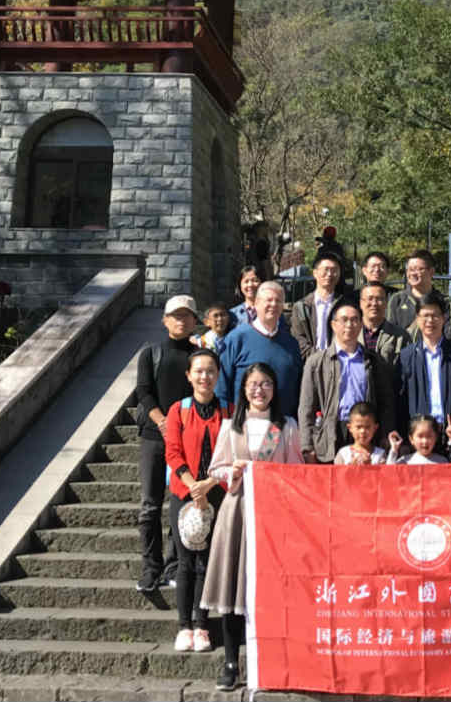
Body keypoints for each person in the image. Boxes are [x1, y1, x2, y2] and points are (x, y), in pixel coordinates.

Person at [202, 362, 303, 691]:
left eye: (266, 384)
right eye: (253, 385)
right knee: (233, 586)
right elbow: (215, 468)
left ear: (274, 388)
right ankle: (231, 662)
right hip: (238, 512)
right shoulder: (232, 426)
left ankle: (272, 662)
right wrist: (233, 470)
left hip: (273, 516)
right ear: (244, 389)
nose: (259, 390)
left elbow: (296, 471)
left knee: (270, 591)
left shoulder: (285, 426)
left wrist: (271, 476)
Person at [162, 349, 232, 654]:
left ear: (218, 375)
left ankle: (202, 624)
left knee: (206, 561)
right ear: (189, 376)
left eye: (211, 371)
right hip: (184, 493)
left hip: (216, 491)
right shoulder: (178, 410)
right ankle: (184, 626)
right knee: (185, 561)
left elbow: (231, 453)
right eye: (199, 371)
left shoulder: (228, 410)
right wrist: (193, 485)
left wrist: (208, 484)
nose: (205, 377)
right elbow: (172, 451)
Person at [133, 295, 201, 593]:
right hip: (154, 437)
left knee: (180, 502)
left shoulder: (200, 357)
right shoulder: (151, 353)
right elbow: (143, 392)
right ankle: (151, 567)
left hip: (187, 439)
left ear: (195, 321)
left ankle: (175, 565)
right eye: (175, 315)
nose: (180, 321)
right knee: (150, 505)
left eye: (186, 316)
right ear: (165, 320)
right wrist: (163, 422)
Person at [299, 298, 397, 463]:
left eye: (354, 320)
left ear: (361, 324)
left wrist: (386, 435)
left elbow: (386, 403)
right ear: (333, 325)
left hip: (365, 433)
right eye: (344, 320)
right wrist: (307, 446)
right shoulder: (317, 362)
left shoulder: (373, 361)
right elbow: (306, 407)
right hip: (331, 434)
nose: (349, 325)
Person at [216, 281, 302, 417]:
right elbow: (222, 388)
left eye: (278, 301)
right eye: (269, 300)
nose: (273, 304)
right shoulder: (236, 338)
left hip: (283, 424)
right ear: (256, 304)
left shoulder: (291, 344)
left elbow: (298, 388)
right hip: (244, 423)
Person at [396, 295, 451, 434]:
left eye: (435, 316)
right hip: (419, 436)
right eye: (425, 316)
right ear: (417, 319)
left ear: (444, 318)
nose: (430, 321)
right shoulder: (406, 356)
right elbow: (401, 401)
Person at [386, 249, 451, 340]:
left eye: (419, 269)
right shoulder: (396, 300)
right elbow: (389, 334)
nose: (413, 273)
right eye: (410, 269)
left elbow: (450, 335)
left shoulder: (446, 302)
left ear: (431, 272)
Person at [290, 251, 343, 361]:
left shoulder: (345, 305)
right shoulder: (301, 307)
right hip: (310, 364)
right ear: (315, 273)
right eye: (326, 269)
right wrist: (323, 359)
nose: (329, 274)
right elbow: (298, 341)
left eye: (334, 270)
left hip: (339, 364)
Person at [334, 401, 403, 464]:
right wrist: (351, 467)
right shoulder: (343, 453)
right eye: (358, 427)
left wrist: (370, 467)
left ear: (375, 428)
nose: (363, 431)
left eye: (367, 427)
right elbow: (336, 473)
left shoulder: (380, 454)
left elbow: (387, 472)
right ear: (350, 428)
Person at [359, 282, 409, 367]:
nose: (374, 303)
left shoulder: (400, 336)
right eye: (370, 299)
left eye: (379, 299)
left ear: (386, 303)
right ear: (361, 303)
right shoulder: (349, 333)